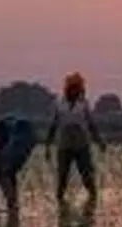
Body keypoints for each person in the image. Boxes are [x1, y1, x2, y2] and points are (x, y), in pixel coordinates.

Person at [44, 71, 106, 203]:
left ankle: (93, 199)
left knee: (86, 175)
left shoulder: (83, 104)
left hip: (81, 144)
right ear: (67, 89)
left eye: (77, 89)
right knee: (62, 176)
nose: (74, 91)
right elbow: (53, 126)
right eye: (72, 88)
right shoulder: (59, 104)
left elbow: (91, 124)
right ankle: (59, 200)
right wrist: (47, 146)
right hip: (64, 144)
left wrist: (99, 141)